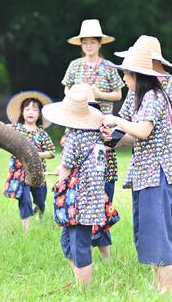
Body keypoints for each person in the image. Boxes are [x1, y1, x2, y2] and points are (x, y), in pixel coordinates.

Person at [102, 45, 172, 294]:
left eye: (126, 73)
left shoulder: (153, 97)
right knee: (150, 232)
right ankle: (159, 286)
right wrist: (110, 138)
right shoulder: (138, 96)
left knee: (158, 234)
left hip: (159, 176)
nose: (123, 78)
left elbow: (143, 130)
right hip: (147, 176)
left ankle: (166, 291)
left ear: (138, 75)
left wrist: (115, 120)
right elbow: (134, 137)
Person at [116, 35, 172, 268]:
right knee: (152, 211)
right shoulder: (136, 88)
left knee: (169, 209)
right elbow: (125, 121)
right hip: (145, 157)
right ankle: (162, 261)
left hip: (169, 156)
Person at [62, 19, 125, 259]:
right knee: (77, 185)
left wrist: (98, 93)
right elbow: (66, 90)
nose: (89, 46)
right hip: (77, 124)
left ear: (99, 43)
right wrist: (78, 95)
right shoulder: (74, 65)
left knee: (104, 186)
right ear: (81, 45)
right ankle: (77, 246)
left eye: (92, 42)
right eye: (85, 42)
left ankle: (104, 252)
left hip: (102, 128)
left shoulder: (109, 67)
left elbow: (119, 93)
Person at [41, 86, 107, 287]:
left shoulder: (74, 137)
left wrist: (60, 175)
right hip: (93, 197)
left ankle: (84, 289)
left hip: (77, 200)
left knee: (79, 245)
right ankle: (79, 282)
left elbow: (66, 168)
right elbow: (96, 166)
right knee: (69, 242)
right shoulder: (97, 136)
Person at [4, 91, 55, 230]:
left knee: (40, 200)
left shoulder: (42, 134)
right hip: (21, 173)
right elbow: (2, 133)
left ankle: (39, 212)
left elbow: (51, 152)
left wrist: (35, 154)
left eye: (34, 109)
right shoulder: (16, 129)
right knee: (25, 199)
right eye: (27, 109)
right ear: (22, 112)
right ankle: (26, 229)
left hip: (38, 173)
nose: (30, 112)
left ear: (39, 113)